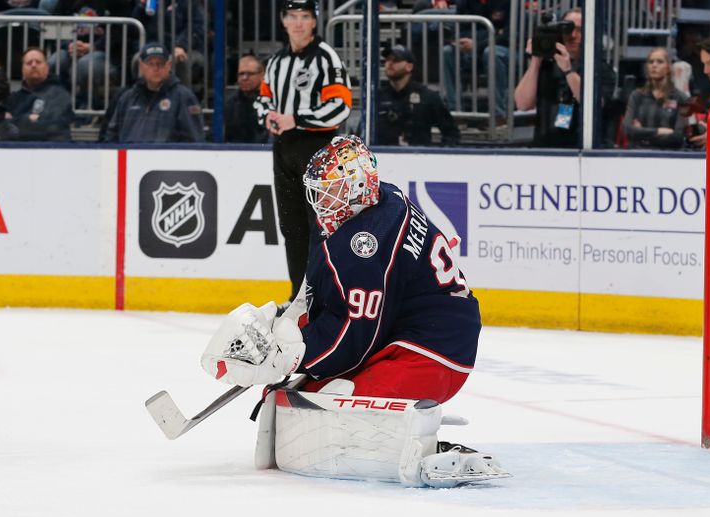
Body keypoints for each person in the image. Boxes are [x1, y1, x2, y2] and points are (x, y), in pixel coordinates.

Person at [200, 135, 507, 488]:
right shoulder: (374, 201)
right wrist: (290, 327)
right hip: (400, 330)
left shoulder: (364, 245)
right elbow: (321, 292)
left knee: (337, 400)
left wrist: (292, 358)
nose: (320, 200)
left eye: (329, 190)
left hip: (436, 351)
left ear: (357, 189)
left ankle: (430, 448)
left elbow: (354, 341)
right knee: (301, 395)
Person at [254, 0, 352, 302]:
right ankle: (299, 295)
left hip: (317, 150)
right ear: (284, 21)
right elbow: (262, 99)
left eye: (305, 17)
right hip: (283, 149)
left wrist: (296, 119)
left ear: (314, 22)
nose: (298, 23)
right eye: (293, 16)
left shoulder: (326, 58)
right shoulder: (276, 62)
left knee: (320, 227)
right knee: (291, 225)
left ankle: (327, 294)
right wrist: (268, 116)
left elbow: (341, 106)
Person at [514, 8, 615, 148]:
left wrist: (568, 70)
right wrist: (536, 61)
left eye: (580, 30)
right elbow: (523, 104)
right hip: (545, 147)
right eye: (568, 29)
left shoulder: (600, 69)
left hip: (585, 149)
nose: (573, 35)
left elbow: (594, 104)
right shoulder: (547, 65)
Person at [103, 42, 204, 143]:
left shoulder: (184, 97)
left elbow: (193, 141)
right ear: (141, 66)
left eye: (160, 64)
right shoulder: (127, 98)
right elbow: (111, 136)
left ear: (169, 65)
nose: (155, 68)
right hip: (129, 157)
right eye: (150, 64)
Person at [441, 0, 510, 124]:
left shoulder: (509, 2)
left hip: (504, 49)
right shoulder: (464, 2)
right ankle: (456, 112)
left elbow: (508, 36)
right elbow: (459, 29)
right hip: (472, 48)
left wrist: (477, 43)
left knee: (491, 53)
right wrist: (490, 34)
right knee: (447, 52)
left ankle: (500, 115)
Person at [377, 44, 460, 146]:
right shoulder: (377, 98)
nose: (390, 63)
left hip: (418, 158)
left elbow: (452, 133)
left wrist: (438, 157)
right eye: (388, 60)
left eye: (396, 60)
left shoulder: (428, 97)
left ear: (409, 66)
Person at [2, 47, 73, 141]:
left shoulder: (60, 95)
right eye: (29, 63)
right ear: (22, 69)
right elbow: (2, 128)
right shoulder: (14, 98)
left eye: (38, 62)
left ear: (47, 67)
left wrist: (16, 121)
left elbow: (52, 128)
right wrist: (30, 120)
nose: (34, 65)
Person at [623, 47, 689, 149]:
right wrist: (659, 131)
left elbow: (678, 137)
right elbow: (627, 130)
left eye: (660, 62)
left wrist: (642, 134)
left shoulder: (680, 98)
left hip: (669, 156)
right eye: (651, 62)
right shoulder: (637, 96)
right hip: (638, 154)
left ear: (668, 67)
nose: (654, 65)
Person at [224, 54, 268, 143]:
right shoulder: (230, 103)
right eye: (241, 74)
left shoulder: (274, 101)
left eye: (250, 74)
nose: (244, 78)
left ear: (262, 75)